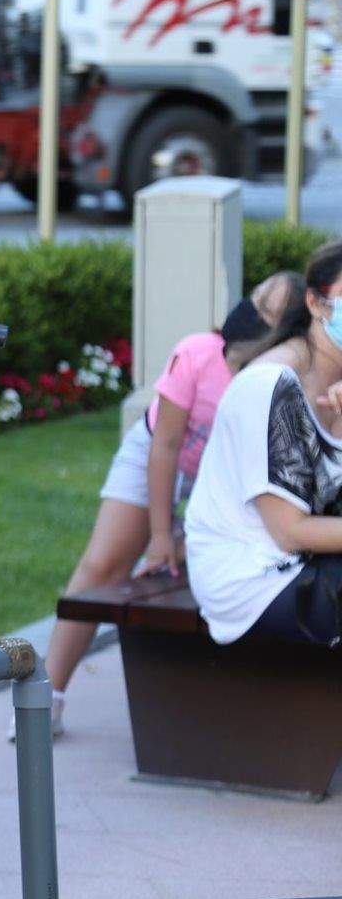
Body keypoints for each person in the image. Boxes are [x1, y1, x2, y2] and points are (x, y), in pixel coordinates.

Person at [38, 271, 302, 727]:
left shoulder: (281, 375)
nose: (249, 311)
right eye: (255, 297)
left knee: (200, 567)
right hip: (158, 452)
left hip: (222, 476)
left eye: (267, 310)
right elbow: (165, 446)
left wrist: (186, 537)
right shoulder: (198, 353)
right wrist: (161, 533)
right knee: (103, 565)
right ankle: (46, 697)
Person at [186, 245, 342, 649]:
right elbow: (290, 531)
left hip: (312, 565)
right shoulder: (272, 385)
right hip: (255, 579)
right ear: (316, 302)